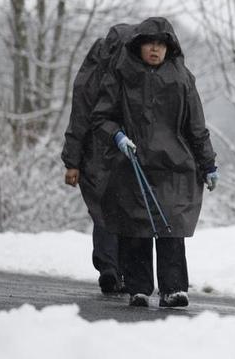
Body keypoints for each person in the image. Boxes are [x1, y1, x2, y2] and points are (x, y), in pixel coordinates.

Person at [91, 17, 218, 308]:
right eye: (150, 43)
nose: (155, 49)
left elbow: (196, 126)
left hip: (175, 166)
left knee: (169, 224)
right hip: (131, 163)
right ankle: (139, 287)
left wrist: (208, 164)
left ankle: (173, 289)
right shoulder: (120, 75)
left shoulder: (183, 79)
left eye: (161, 44)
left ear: (169, 49)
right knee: (136, 226)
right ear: (139, 46)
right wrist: (118, 136)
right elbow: (102, 117)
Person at [62, 23, 136, 294]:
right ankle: (121, 271)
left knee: (104, 214)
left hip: (96, 156)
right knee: (123, 214)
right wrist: (72, 162)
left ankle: (109, 268)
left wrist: (73, 161)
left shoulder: (90, 74)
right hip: (116, 154)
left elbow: (78, 118)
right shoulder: (127, 74)